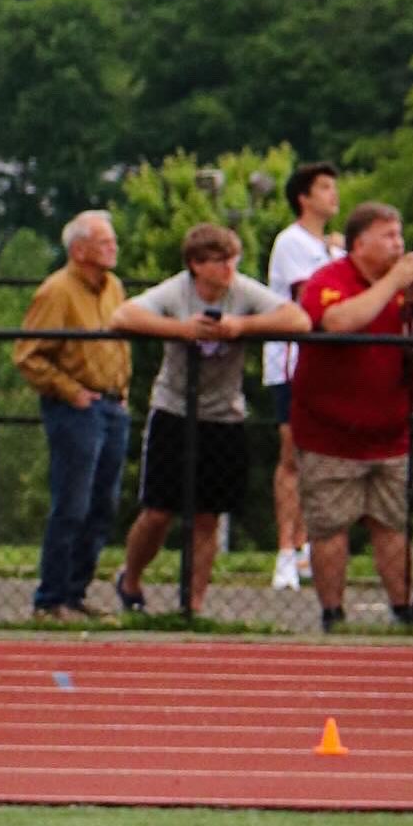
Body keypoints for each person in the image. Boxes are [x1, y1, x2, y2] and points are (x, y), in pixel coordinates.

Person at [110, 224, 310, 613]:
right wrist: (181, 329)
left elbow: (297, 320)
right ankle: (130, 579)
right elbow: (123, 316)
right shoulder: (177, 291)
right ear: (196, 265)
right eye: (219, 261)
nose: (228, 268)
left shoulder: (242, 291)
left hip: (223, 414)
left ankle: (193, 604)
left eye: (231, 259)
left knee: (207, 515)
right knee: (158, 511)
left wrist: (242, 326)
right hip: (174, 410)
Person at [291, 201, 413, 630]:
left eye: (400, 236)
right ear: (359, 243)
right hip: (330, 432)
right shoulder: (329, 280)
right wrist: (392, 284)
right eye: (388, 236)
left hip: (389, 432)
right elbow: (337, 322)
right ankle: (333, 613)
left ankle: (403, 610)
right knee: (331, 526)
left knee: (390, 523)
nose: (398, 245)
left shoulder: (408, 289)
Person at [13, 211, 132, 622]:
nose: (113, 247)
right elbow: (28, 355)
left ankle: (76, 592)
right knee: (72, 503)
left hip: (112, 405)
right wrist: (71, 392)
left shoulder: (113, 286)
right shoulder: (57, 292)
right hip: (76, 409)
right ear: (79, 249)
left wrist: (122, 387)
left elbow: (118, 342)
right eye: (104, 242)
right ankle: (50, 598)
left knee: (103, 505)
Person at [263, 161, 344, 590]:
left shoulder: (333, 249)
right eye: (325, 187)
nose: (334, 195)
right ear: (304, 197)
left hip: (329, 364)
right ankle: (285, 552)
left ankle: (310, 546)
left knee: (323, 459)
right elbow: (310, 298)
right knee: (292, 456)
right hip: (293, 362)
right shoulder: (291, 243)